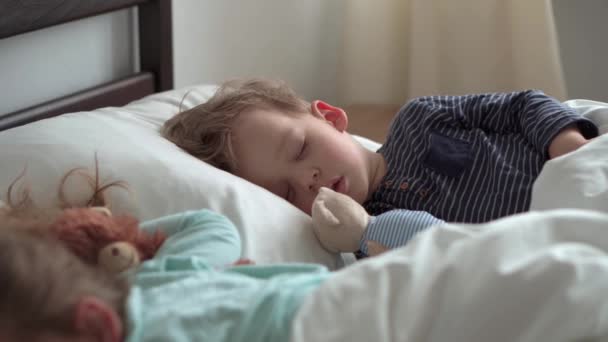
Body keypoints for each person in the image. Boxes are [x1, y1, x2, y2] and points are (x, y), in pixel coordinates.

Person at [162, 79, 599, 223]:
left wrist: (569, 148)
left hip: (579, 171)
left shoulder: (420, 119)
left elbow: (521, 105)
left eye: (299, 150)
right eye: (287, 194)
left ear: (331, 118)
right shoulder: (371, 232)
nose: (307, 182)